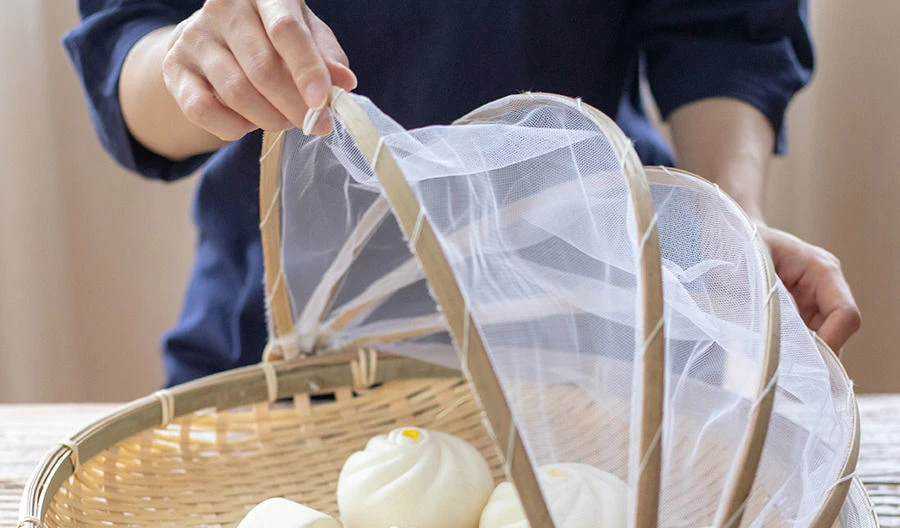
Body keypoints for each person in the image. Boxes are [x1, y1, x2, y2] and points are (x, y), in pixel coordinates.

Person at [66, 0, 861, 387]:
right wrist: (198, 60)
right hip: (278, 346)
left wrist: (726, 221)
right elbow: (128, 49)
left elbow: (722, 27)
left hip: (593, 334)